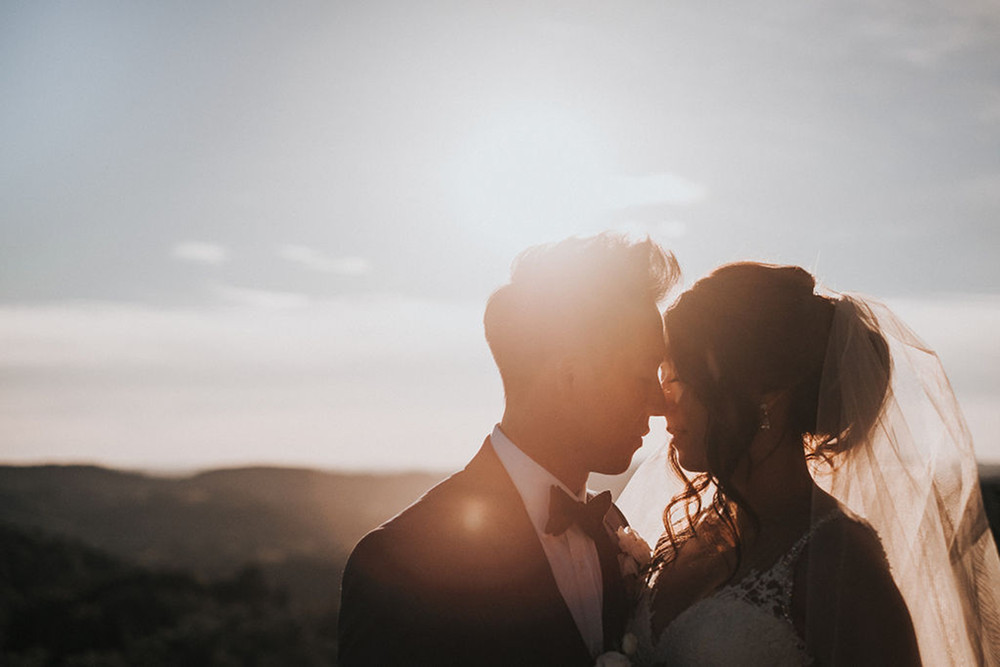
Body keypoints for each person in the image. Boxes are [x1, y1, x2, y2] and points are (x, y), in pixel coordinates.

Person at [619, 262, 1000, 666]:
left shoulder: (840, 563)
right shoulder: (688, 531)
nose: (661, 404)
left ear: (763, 392)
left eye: (678, 380)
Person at [338, 234, 679, 666]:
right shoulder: (397, 564)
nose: (659, 402)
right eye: (641, 376)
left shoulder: (612, 527)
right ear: (570, 377)